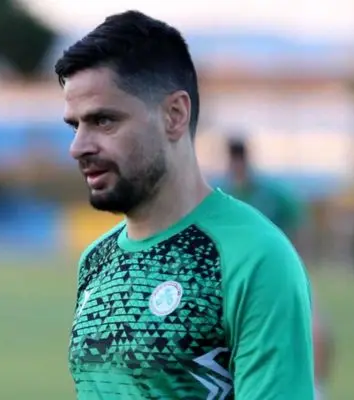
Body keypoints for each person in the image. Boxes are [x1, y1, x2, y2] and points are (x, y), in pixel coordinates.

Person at [55, 10, 314, 400]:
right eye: (75, 126)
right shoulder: (96, 260)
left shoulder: (254, 257)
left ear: (174, 115)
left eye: (103, 121)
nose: (78, 147)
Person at [222, 137, 334, 398]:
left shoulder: (271, 192)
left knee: (314, 322)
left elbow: (299, 221)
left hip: (278, 270)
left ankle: (316, 387)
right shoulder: (223, 193)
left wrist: (296, 260)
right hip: (237, 275)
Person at [221, 136, 304, 242]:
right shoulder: (224, 195)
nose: (237, 165)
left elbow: (296, 221)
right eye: (234, 160)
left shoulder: (274, 193)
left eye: (240, 160)